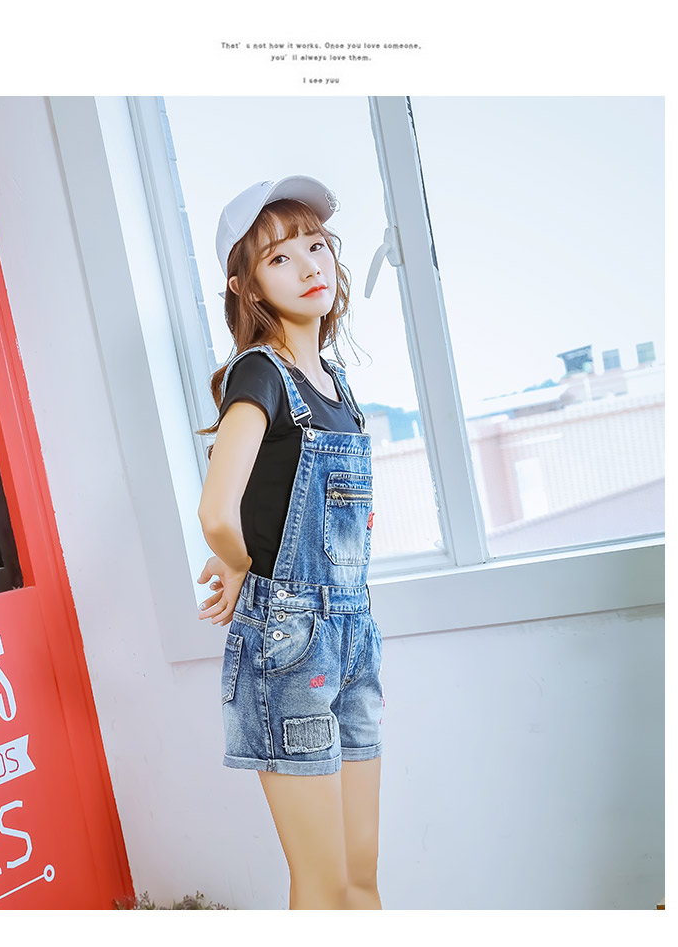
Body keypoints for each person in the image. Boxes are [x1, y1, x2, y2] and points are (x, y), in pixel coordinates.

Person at [196, 176, 384, 911]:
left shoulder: (335, 384)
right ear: (245, 285)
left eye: (316, 246)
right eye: (279, 258)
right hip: (291, 639)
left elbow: (267, 504)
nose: (309, 267)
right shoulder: (259, 372)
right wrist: (239, 565)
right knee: (323, 884)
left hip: (353, 634)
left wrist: (243, 552)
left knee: (360, 878)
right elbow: (217, 510)